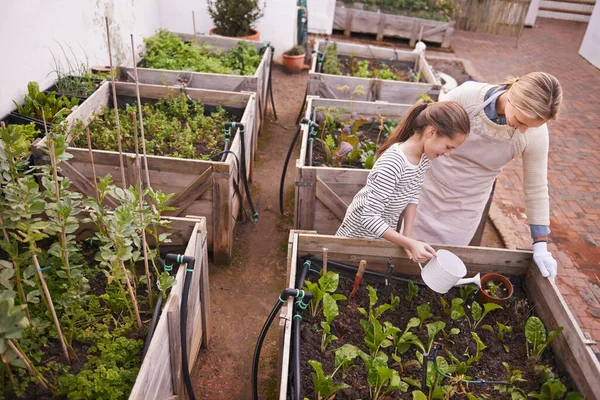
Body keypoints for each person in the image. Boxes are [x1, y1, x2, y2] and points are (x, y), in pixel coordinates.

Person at [412, 72, 562, 278]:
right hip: (428, 188)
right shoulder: (466, 97)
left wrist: (541, 244)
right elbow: (423, 136)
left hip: (466, 206)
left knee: (443, 262)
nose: (523, 129)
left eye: (530, 126)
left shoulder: (535, 133)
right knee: (409, 249)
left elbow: (536, 187)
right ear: (512, 96)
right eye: (520, 120)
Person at [336, 101, 470, 263]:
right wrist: (409, 243)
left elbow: (412, 194)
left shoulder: (424, 158)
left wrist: (407, 235)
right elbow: (369, 217)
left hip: (382, 232)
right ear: (431, 132)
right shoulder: (393, 163)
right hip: (357, 234)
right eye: (448, 147)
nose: (448, 154)